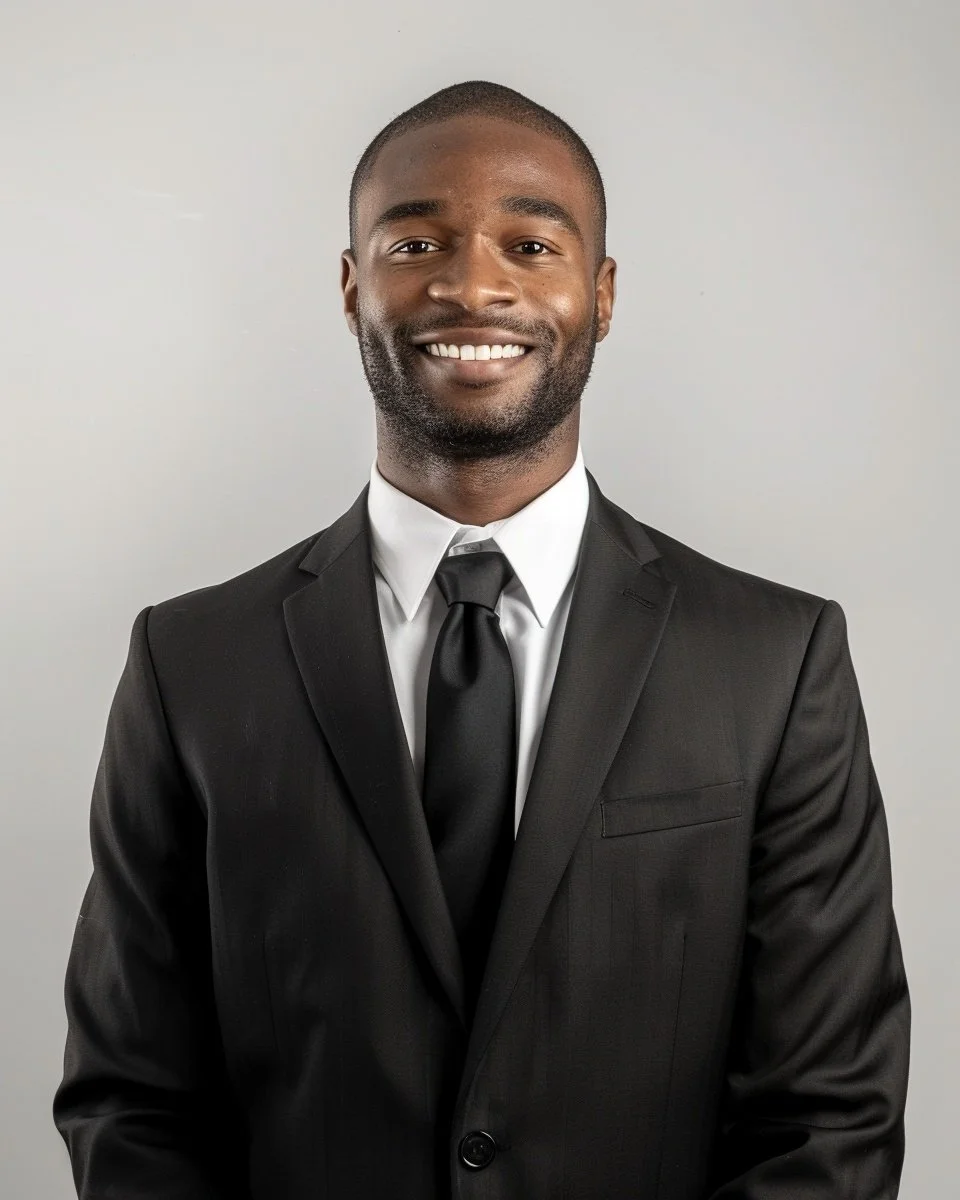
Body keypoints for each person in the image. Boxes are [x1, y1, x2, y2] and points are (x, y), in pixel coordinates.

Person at [53, 80, 910, 1199]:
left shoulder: (774, 659)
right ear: (353, 287)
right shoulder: (191, 665)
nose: (472, 282)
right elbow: (133, 1099)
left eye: (531, 241)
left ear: (601, 295)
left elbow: (828, 1119)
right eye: (417, 240)